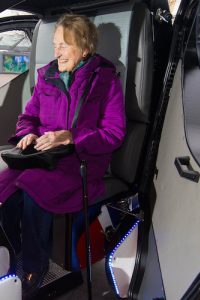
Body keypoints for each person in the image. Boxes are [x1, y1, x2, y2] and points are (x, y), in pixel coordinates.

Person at [0, 14, 125, 299]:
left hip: (81, 162)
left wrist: (71, 136)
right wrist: (27, 135)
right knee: (5, 191)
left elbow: (114, 133)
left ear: (85, 48)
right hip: (42, 155)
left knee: (33, 190)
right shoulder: (48, 76)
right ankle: (15, 254)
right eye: (55, 45)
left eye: (64, 46)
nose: (57, 52)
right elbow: (28, 116)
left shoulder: (104, 80)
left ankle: (36, 267)